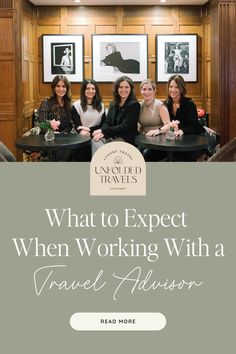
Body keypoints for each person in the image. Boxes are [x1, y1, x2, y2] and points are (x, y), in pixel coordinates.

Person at [92, 75, 140, 154]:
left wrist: (102, 131)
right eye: (120, 87)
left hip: (126, 138)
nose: (123, 90)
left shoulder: (134, 105)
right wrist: (102, 133)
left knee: (110, 148)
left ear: (131, 89)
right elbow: (108, 122)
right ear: (117, 89)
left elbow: (124, 127)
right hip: (112, 135)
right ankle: (98, 163)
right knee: (95, 140)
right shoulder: (113, 104)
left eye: (126, 87)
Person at [164, 74, 205, 161]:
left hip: (190, 140)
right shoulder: (166, 104)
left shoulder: (189, 104)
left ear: (181, 89)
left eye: (176, 87)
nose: (172, 90)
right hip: (173, 141)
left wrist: (182, 131)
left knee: (183, 158)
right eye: (170, 87)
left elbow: (195, 126)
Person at [37, 75, 73, 160]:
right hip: (49, 140)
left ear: (67, 88)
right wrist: (52, 133)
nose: (61, 89)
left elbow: (70, 125)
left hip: (65, 138)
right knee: (63, 150)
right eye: (58, 86)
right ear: (53, 87)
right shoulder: (46, 103)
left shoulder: (68, 104)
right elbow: (41, 124)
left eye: (64, 86)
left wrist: (63, 135)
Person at [71, 79, 106, 160]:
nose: (91, 91)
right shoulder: (76, 105)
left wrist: (99, 133)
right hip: (82, 134)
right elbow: (76, 124)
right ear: (84, 90)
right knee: (83, 149)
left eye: (93, 89)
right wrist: (81, 131)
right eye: (88, 88)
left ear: (96, 90)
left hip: (96, 134)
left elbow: (104, 123)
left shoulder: (101, 105)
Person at [138, 79, 170, 161]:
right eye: (144, 89)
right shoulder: (139, 106)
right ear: (140, 91)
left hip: (159, 142)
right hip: (144, 141)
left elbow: (168, 126)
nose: (147, 92)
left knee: (144, 156)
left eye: (150, 89)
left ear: (154, 91)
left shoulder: (160, 106)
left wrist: (158, 131)